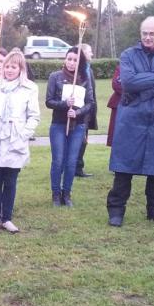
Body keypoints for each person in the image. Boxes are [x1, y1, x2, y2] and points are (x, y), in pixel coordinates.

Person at [106, 16, 154, 227]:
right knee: (124, 166)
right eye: (144, 33)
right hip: (131, 117)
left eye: (152, 33)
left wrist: (143, 89)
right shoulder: (128, 55)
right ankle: (116, 210)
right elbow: (128, 83)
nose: (148, 37)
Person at [0, 50, 40, 233]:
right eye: (7, 66)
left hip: (15, 140)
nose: (9, 70)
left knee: (11, 181)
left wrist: (23, 134)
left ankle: (7, 218)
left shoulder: (30, 88)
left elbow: (34, 116)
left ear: (21, 68)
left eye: (13, 66)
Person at [46, 47, 96, 207]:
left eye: (75, 60)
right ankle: (56, 194)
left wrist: (78, 112)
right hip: (59, 124)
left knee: (71, 161)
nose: (71, 63)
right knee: (58, 160)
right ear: (65, 59)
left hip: (78, 125)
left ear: (79, 61)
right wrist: (64, 104)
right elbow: (49, 101)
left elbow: (90, 102)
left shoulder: (84, 78)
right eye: (69, 59)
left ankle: (66, 194)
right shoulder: (55, 77)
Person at [74, 43, 98, 178]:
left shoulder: (89, 69)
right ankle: (75, 168)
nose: (92, 54)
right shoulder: (79, 71)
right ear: (82, 53)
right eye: (89, 51)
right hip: (81, 112)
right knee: (80, 140)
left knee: (84, 140)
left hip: (88, 111)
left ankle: (78, 166)